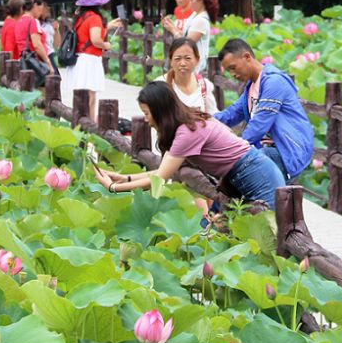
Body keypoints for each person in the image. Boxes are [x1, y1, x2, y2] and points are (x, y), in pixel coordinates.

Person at [92, 82, 285, 221]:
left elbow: (158, 179)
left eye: (147, 114)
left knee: (273, 236)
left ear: (160, 112)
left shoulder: (187, 132)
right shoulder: (186, 124)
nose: (146, 119)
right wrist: (121, 177)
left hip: (257, 176)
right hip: (248, 173)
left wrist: (112, 187)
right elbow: (166, 171)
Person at [214, 38, 315, 182]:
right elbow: (230, 114)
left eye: (233, 67)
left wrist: (234, 150)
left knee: (239, 173)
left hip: (287, 151)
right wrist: (201, 120)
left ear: (247, 57)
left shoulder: (274, 82)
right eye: (229, 70)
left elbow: (259, 124)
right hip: (266, 150)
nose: (232, 74)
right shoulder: (251, 87)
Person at [63, 0, 121, 117]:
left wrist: (108, 27)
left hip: (80, 58)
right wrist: (106, 45)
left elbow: (87, 36)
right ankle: (91, 126)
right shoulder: (95, 18)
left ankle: (81, 124)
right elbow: (95, 40)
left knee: (80, 97)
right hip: (89, 60)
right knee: (91, 97)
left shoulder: (81, 17)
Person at [164, 0, 217, 74]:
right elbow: (186, 35)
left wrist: (173, 30)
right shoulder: (194, 15)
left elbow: (187, 43)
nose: (190, 2)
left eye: (192, 0)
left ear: (200, 1)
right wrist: (172, 27)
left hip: (196, 65)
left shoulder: (201, 20)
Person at [158, 38, 218, 114]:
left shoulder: (204, 85)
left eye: (188, 58)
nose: (182, 63)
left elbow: (213, 115)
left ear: (197, 60)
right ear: (171, 61)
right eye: (177, 59)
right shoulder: (160, 85)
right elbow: (156, 121)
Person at [13, 0, 54, 77]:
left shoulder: (19, 22)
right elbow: (37, 45)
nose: (40, 13)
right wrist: (48, 62)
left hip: (24, 61)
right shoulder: (33, 21)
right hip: (36, 63)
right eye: (40, 10)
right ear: (35, 6)